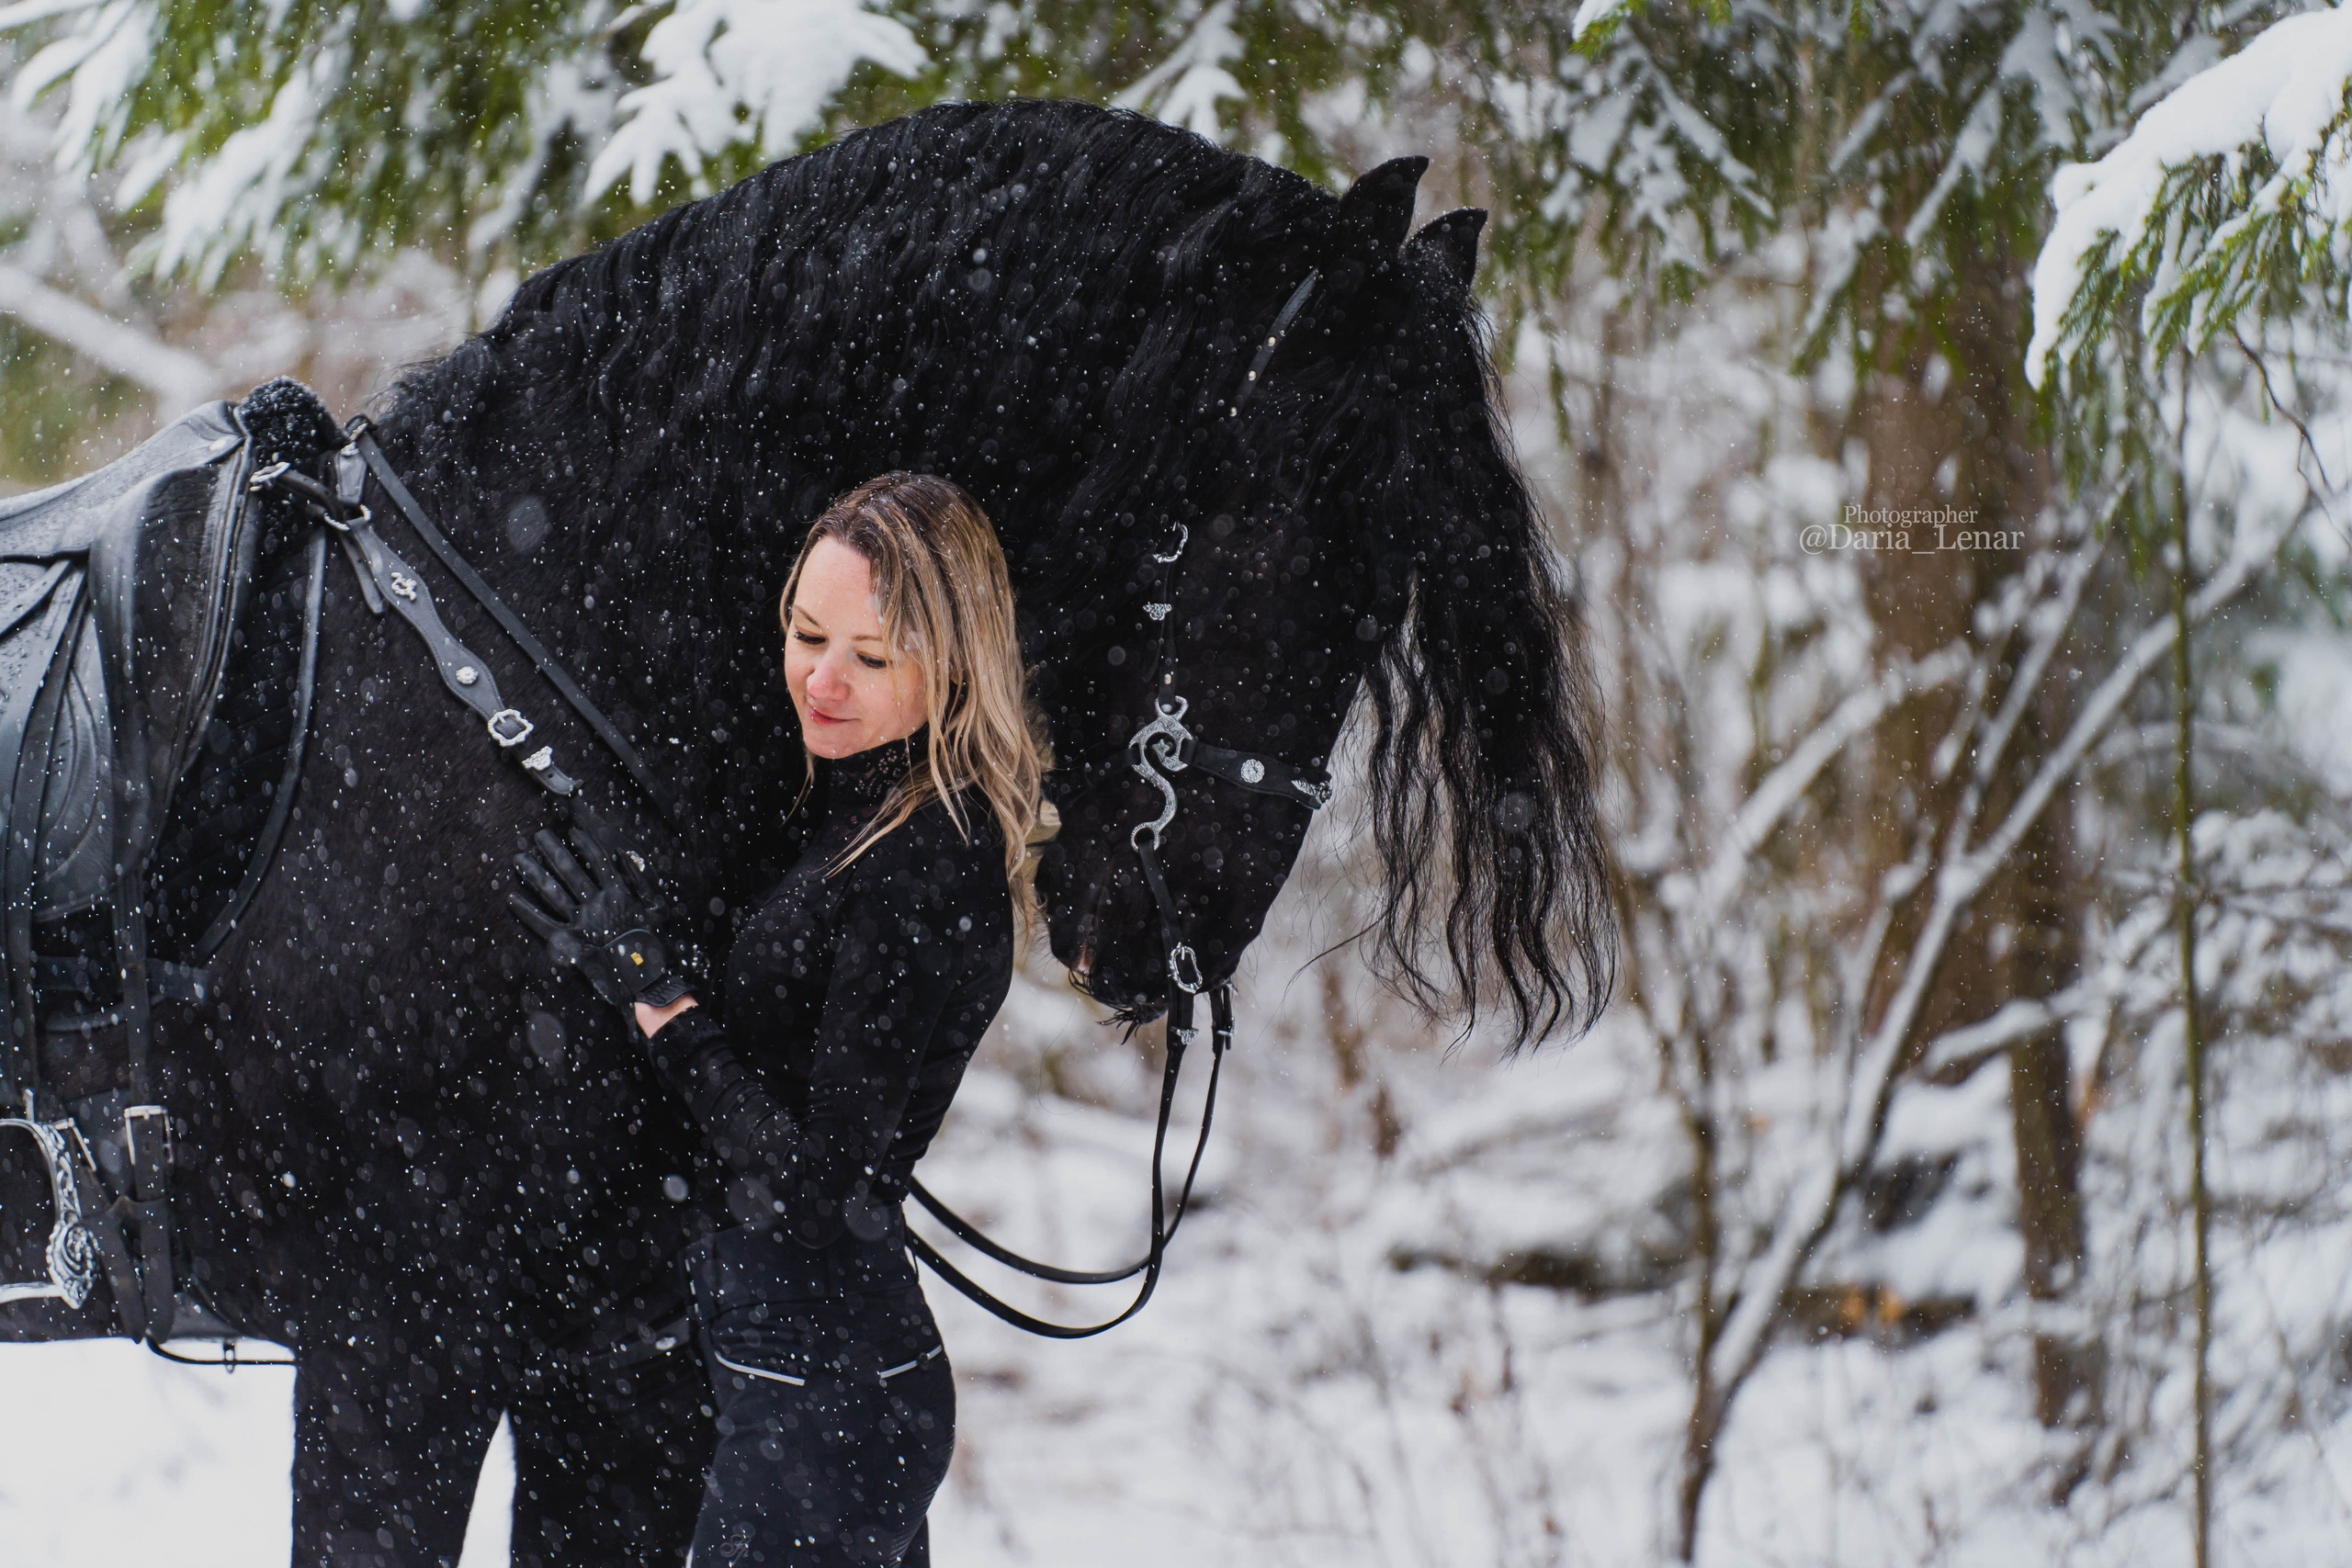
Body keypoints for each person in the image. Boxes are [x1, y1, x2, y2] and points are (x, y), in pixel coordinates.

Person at [507, 472, 1047, 1566]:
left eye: (871, 656)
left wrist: (658, 995)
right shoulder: (845, 808)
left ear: (951, 665)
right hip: (801, 1372)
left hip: (831, 1395)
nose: (823, 681)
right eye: (808, 635)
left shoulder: (924, 864)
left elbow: (815, 1189)